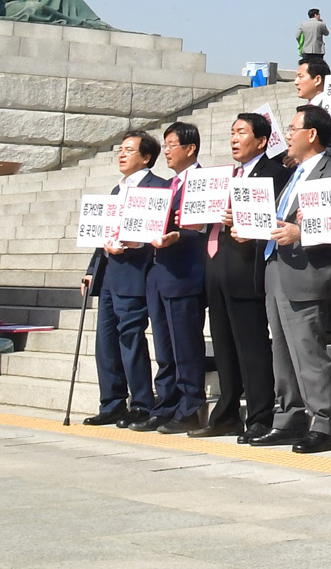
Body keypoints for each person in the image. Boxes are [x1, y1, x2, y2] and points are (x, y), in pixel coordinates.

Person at [253, 104, 331, 453]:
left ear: (311, 134)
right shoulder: (293, 173)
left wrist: (300, 231)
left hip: (308, 272)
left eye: (293, 128)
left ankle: (324, 422)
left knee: (308, 350)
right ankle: (289, 416)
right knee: (282, 349)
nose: (288, 135)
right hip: (277, 266)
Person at [191, 112, 288, 441]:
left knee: (252, 347)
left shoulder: (274, 173)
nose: (234, 138)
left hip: (247, 268)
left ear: (261, 141)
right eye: (232, 132)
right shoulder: (224, 175)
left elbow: (273, 223)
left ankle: (259, 415)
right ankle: (227, 414)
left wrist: (244, 221)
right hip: (217, 267)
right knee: (223, 346)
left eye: (242, 132)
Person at [79, 132, 163, 428]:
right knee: (105, 341)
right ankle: (112, 402)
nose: (122, 154)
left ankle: (141, 402)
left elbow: (160, 234)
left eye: (129, 150)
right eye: (120, 149)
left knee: (130, 337)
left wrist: (135, 243)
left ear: (147, 157)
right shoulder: (118, 189)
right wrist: (92, 270)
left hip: (136, 273)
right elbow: (103, 233)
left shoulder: (158, 188)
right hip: (110, 274)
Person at [145, 120, 209, 433]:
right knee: (164, 347)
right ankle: (167, 403)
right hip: (160, 270)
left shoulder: (203, 181)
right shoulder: (168, 185)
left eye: (172, 145)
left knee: (185, 345)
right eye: (165, 145)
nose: (166, 151)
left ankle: (191, 406)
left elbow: (203, 229)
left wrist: (178, 236)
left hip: (186, 272)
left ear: (190, 148)